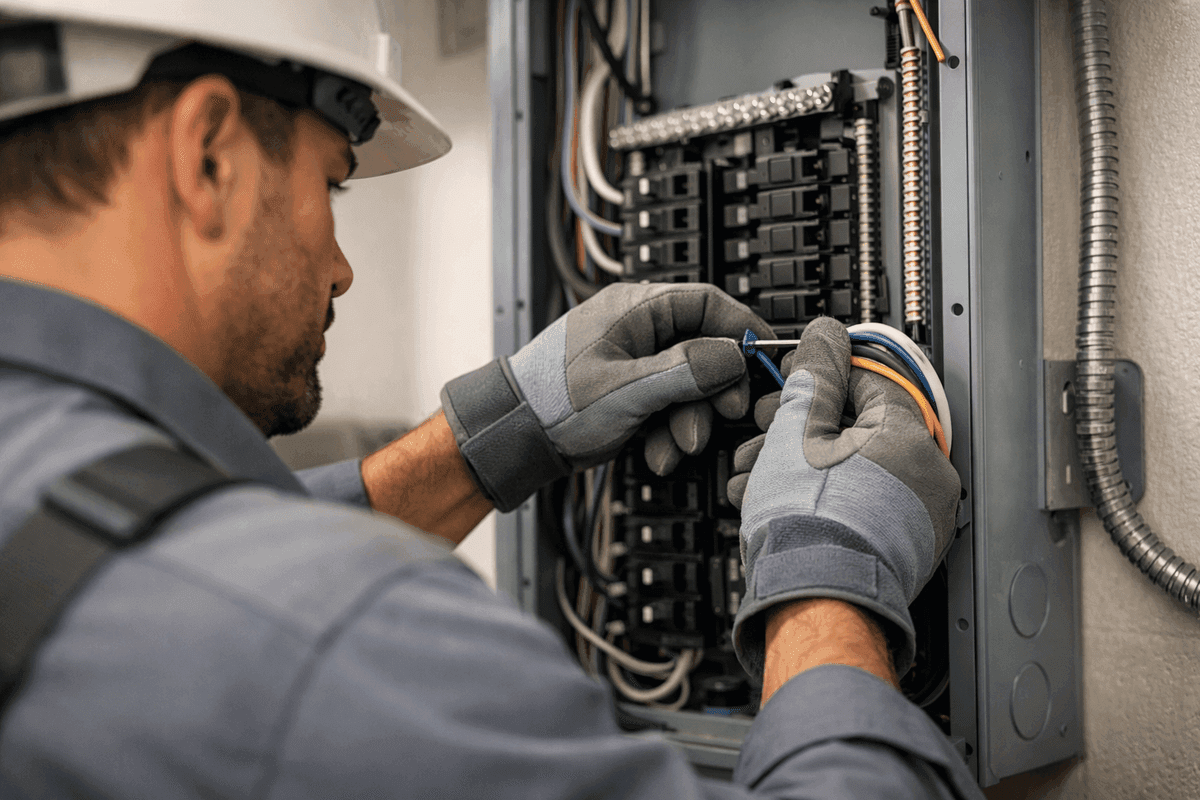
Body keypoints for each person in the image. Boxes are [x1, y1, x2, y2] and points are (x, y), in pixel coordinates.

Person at [0, 3, 983, 798]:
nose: (341, 270)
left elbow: (130, 548)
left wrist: (491, 434)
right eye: (332, 186)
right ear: (209, 155)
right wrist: (828, 588)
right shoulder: (340, 640)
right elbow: (248, 602)